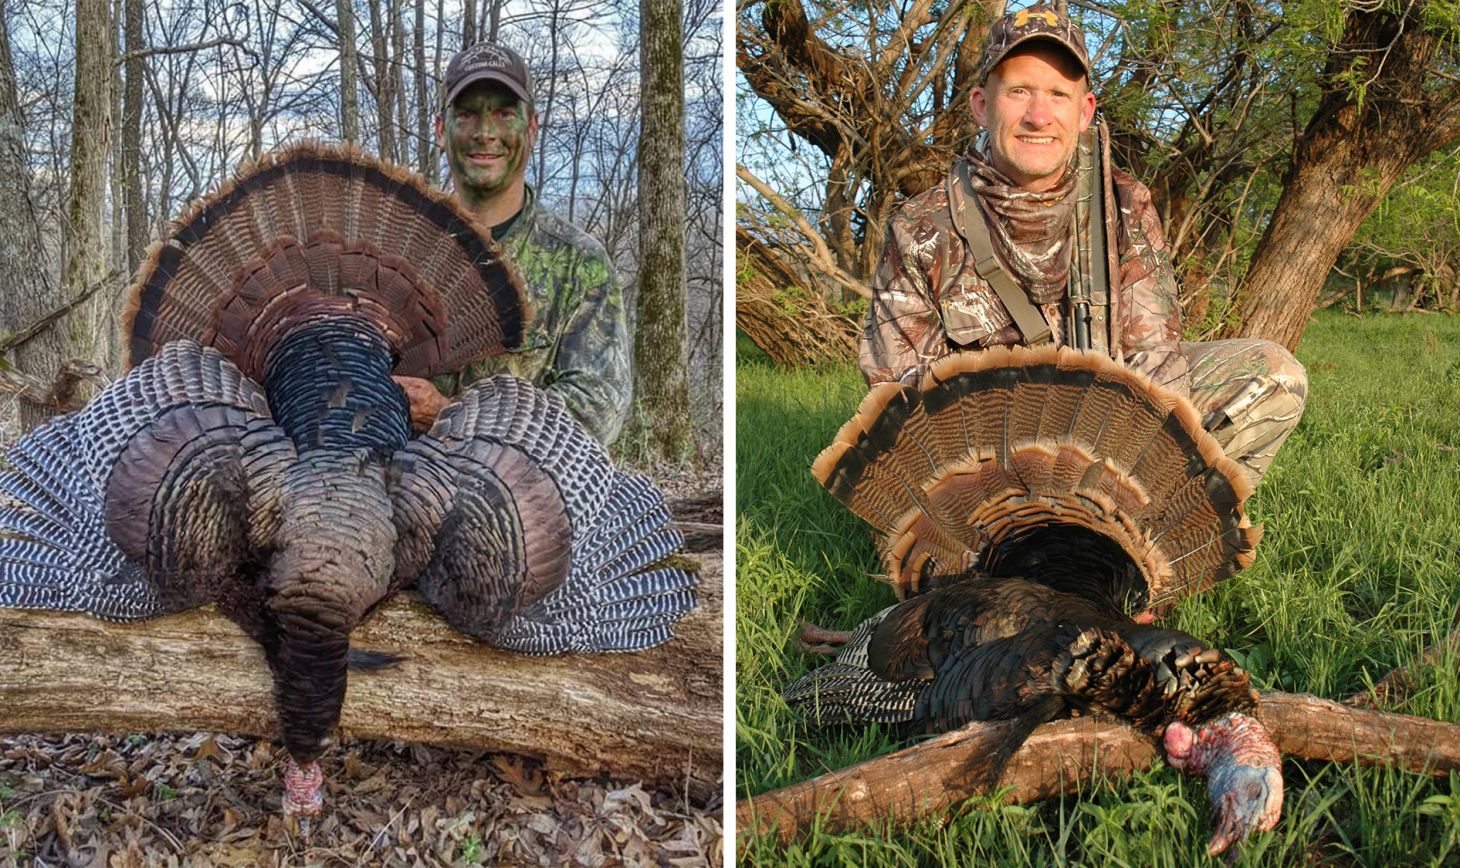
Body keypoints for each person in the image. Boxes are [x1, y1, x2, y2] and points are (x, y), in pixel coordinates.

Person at [860, 5, 1306, 485]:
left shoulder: (1125, 204)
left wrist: (1125, 472)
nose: (1038, 116)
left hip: (1113, 428)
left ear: (1084, 111)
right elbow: (900, 397)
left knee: (1275, 375)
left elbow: (1155, 358)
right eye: (1018, 92)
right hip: (990, 455)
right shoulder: (920, 227)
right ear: (981, 105)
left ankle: (1158, 521)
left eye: (1058, 94)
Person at [394, 41, 632, 446]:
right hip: (397, 480)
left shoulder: (578, 262)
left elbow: (597, 409)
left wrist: (451, 415)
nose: (485, 133)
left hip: (522, 486)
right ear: (441, 130)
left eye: (504, 113)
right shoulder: (397, 252)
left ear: (532, 128)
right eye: (467, 115)